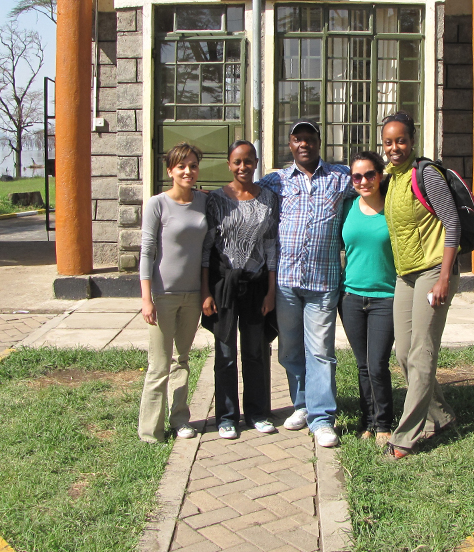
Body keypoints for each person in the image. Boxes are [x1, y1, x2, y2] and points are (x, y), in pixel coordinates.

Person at [260, 119, 353, 448]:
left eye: (309, 138)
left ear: (318, 142)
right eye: (298, 139)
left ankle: (322, 417)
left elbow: (375, 185)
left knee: (321, 351)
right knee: (289, 349)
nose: (304, 144)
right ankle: (301, 404)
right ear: (290, 144)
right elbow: (244, 194)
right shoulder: (276, 180)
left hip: (323, 281)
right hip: (286, 282)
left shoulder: (341, 177)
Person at [381, 111, 461, 459]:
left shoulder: (425, 174)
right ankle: (442, 415)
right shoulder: (392, 177)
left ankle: (406, 437)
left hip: (433, 271)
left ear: (412, 141)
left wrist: (444, 277)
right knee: (403, 351)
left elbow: (452, 224)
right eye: (388, 142)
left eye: (400, 140)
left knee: (422, 352)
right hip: (406, 274)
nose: (394, 147)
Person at [201, 140, 279, 439]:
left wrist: (271, 291)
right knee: (225, 352)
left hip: (256, 284)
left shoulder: (269, 199)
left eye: (248, 161)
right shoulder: (217, 200)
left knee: (256, 350)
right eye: (237, 162)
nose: (243, 167)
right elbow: (207, 249)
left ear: (256, 162)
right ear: (229, 164)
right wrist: (206, 290)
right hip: (224, 284)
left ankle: (258, 412)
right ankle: (227, 416)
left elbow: (271, 247)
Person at [138, 142, 208, 443]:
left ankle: (180, 419)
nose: (188, 171)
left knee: (182, 360)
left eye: (192, 165)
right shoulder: (157, 204)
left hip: (192, 295)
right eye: (181, 166)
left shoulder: (204, 202)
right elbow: (147, 252)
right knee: (159, 365)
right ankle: (150, 431)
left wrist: (205, 292)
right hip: (163, 296)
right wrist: (146, 298)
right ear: (170, 171)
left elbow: (206, 251)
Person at [339, 151, 396, 447]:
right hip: (351, 298)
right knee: (362, 365)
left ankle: (384, 422)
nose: (363, 181)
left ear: (381, 175)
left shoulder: (394, 209)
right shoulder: (347, 207)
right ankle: (368, 421)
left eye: (370, 174)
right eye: (357, 176)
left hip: (385, 298)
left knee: (377, 364)